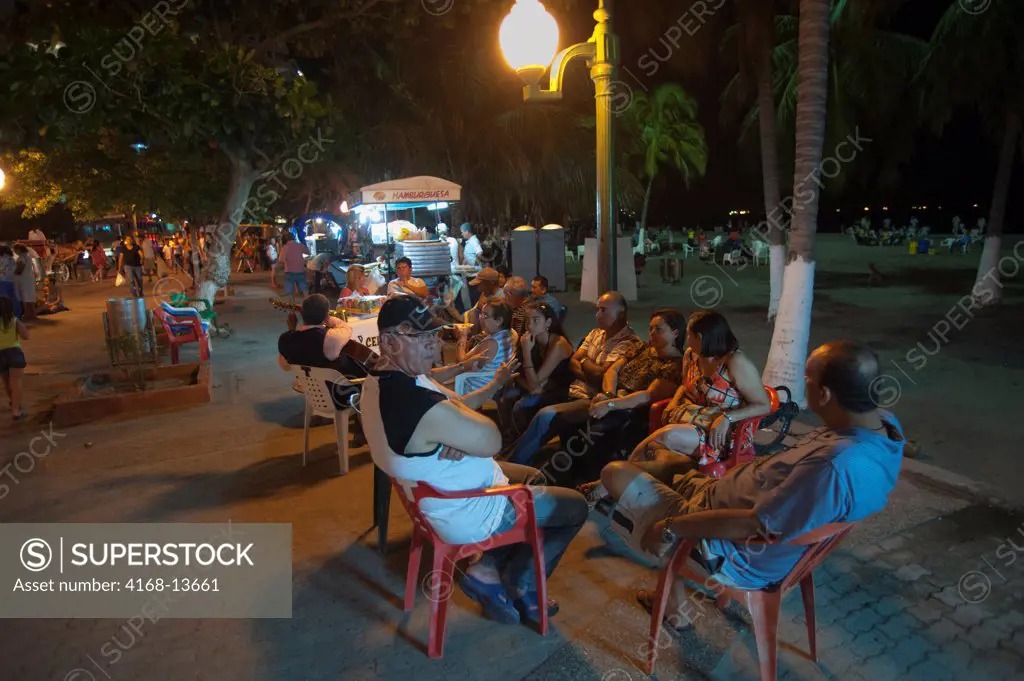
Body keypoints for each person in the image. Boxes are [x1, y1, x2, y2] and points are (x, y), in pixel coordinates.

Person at [598, 341, 903, 623]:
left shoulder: (834, 465)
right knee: (666, 461)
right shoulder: (883, 424)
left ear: (823, 395)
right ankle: (674, 598)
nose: (803, 383)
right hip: (722, 499)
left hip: (733, 551)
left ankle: (672, 599)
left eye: (807, 378)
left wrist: (670, 527)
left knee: (614, 474)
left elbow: (754, 525)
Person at [361, 295, 588, 624]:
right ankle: (521, 584)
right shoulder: (413, 403)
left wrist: (459, 431)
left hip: (445, 489)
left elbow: (459, 405)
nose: (432, 345)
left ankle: (490, 567)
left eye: (434, 335)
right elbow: (492, 438)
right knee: (575, 507)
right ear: (388, 341)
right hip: (468, 509)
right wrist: (462, 432)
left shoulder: (383, 380)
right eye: (419, 337)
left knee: (536, 478)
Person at [628, 310, 773, 472]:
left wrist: (727, 418)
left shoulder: (735, 362)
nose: (686, 339)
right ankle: (629, 477)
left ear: (700, 338)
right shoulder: (691, 356)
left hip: (720, 433)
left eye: (689, 335)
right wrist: (673, 403)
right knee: (656, 451)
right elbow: (685, 386)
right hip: (691, 420)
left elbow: (764, 405)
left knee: (665, 438)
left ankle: (621, 474)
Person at [506, 291, 639, 466]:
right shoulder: (595, 334)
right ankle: (516, 457)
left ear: (620, 313)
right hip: (574, 390)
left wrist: (583, 362)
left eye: (603, 310)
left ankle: (514, 463)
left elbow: (601, 376)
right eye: (597, 309)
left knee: (544, 415)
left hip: (593, 398)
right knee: (521, 402)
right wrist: (587, 366)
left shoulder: (628, 342)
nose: (597, 314)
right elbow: (573, 363)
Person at [573, 309, 688, 476]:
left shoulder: (674, 366)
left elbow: (647, 395)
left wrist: (611, 404)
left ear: (675, 333)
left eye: (658, 329)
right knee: (568, 419)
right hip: (611, 399)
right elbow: (613, 370)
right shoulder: (642, 347)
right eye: (650, 328)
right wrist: (608, 394)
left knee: (593, 433)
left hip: (632, 411)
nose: (652, 333)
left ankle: (596, 479)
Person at [499, 302, 574, 438]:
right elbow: (519, 375)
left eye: (536, 320)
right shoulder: (529, 340)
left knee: (522, 405)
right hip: (538, 386)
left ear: (548, 322)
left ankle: (522, 442)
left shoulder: (558, 344)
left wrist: (527, 352)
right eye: (527, 320)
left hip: (561, 391)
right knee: (507, 394)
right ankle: (510, 436)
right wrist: (528, 383)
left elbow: (534, 384)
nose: (530, 325)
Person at [456, 301, 518, 394]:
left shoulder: (491, 343)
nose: (480, 318)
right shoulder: (511, 334)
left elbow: (461, 363)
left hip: (477, 390)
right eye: (481, 314)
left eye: (485, 315)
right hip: (496, 386)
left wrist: (462, 337)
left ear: (499, 321)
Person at [0, 296, 29, 421]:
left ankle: (14, 403)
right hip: (14, 352)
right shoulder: (14, 321)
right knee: (16, 382)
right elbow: (26, 336)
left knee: (7, 382)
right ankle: (16, 411)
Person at [281, 234, 310, 298]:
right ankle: (309, 303)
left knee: (289, 290)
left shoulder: (285, 247)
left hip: (289, 271)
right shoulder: (300, 245)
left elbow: (281, 259)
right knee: (304, 288)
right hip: (300, 270)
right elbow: (308, 253)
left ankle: (292, 305)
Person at [12, 245, 36, 320]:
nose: (14, 251)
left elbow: (19, 270)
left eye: (15, 250)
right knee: (30, 298)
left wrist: (11, 272)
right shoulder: (27, 257)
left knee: (25, 298)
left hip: (23, 281)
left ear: (19, 250)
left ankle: (27, 315)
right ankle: (33, 315)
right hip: (29, 279)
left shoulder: (22, 258)